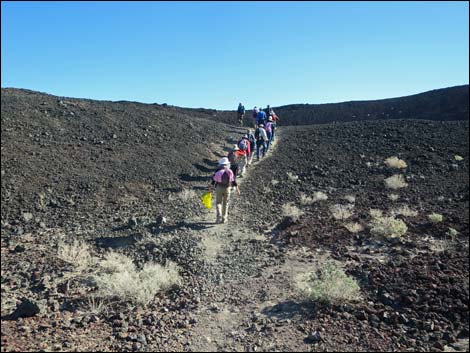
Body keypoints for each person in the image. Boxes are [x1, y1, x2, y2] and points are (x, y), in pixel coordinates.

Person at [209, 157, 240, 224]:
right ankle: (224, 218)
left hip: (219, 188)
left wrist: (210, 189)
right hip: (227, 188)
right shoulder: (230, 171)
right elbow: (234, 181)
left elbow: (213, 181)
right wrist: (237, 189)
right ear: (227, 164)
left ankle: (219, 215)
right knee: (226, 203)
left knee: (218, 202)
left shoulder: (217, 171)